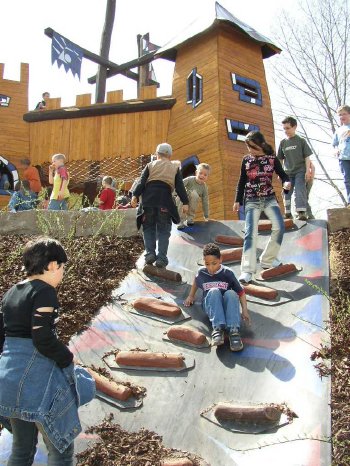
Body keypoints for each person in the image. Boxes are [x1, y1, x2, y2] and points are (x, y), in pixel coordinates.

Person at [0, 237, 95, 465]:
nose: (62, 273)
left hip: (8, 379)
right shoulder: (44, 292)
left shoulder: (12, 292)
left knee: (21, 450)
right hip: (35, 381)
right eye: (62, 267)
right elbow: (41, 337)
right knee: (61, 451)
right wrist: (67, 359)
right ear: (53, 265)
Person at [233, 131, 291, 284]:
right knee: (250, 233)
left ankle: (267, 260)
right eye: (248, 147)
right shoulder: (246, 160)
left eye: (253, 147)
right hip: (251, 200)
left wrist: (286, 183)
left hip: (269, 199)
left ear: (261, 145)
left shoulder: (272, 159)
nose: (250, 150)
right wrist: (237, 200)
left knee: (279, 227)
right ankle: (247, 270)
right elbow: (241, 182)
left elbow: (283, 175)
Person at [131, 143, 189, 268]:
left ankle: (150, 254)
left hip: (148, 200)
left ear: (157, 154)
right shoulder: (174, 168)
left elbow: (141, 182)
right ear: (169, 155)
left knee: (148, 227)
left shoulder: (150, 165)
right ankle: (161, 258)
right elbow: (180, 187)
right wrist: (185, 202)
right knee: (163, 230)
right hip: (165, 201)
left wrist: (135, 195)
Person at [184, 243, 250, 350]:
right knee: (214, 291)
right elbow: (196, 281)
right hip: (210, 305)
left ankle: (233, 331)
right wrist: (191, 296)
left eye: (214, 263)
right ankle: (218, 328)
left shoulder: (227, 273)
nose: (211, 267)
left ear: (220, 260)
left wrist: (245, 310)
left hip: (225, 306)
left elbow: (241, 292)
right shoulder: (202, 272)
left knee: (231, 293)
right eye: (207, 264)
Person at [277, 116, 312, 221]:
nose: (286, 131)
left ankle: (301, 212)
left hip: (300, 171)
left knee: (299, 190)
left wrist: (307, 171)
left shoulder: (301, 141)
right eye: (284, 129)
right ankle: (287, 213)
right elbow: (280, 159)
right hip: (288, 172)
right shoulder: (283, 142)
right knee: (286, 191)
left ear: (294, 127)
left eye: (288, 128)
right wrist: (280, 173)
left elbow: (307, 157)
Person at [176, 162, 210, 229]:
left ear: (207, 177)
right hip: (182, 200)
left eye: (205, 175)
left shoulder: (204, 187)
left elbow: (205, 201)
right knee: (187, 194)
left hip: (192, 202)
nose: (202, 176)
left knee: (195, 195)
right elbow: (179, 186)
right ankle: (180, 220)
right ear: (196, 172)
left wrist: (206, 215)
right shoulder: (190, 179)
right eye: (200, 173)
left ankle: (190, 218)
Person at [332, 105, 350, 205]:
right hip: (344, 158)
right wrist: (336, 150)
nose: (342, 116)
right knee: (347, 180)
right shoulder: (339, 130)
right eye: (340, 115)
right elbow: (334, 144)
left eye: (344, 114)